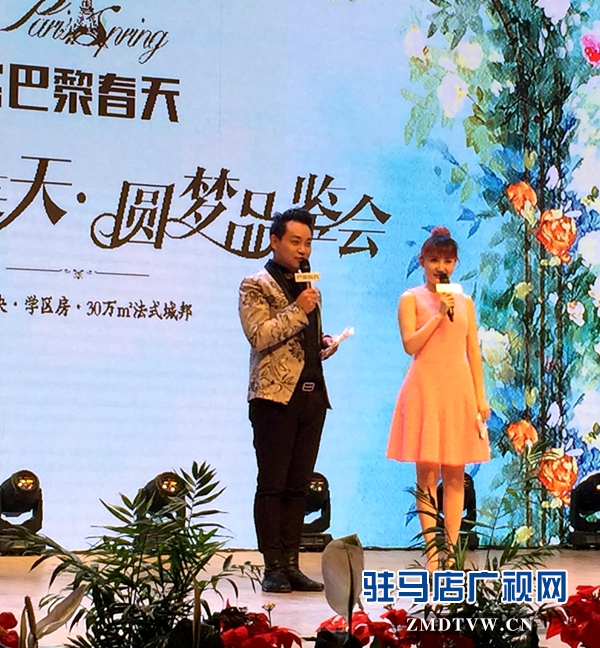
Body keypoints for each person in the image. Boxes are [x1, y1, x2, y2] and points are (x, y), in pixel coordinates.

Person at [238, 207, 335, 593]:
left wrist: (322, 343)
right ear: (274, 240)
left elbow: (300, 335)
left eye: (308, 243)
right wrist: (299, 310)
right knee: (273, 484)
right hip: (274, 398)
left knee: (299, 486)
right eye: (295, 241)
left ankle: (293, 564)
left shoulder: (307, 285)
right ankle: (273, 566)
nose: (302, 249)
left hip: (312, 397)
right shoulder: (255, 284)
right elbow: (259, 335)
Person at [387, 226, 490, 571]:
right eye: (433, 260)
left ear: (455, 263)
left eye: (446, 261)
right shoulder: (410, 298)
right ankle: (432, 554)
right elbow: (410, 345)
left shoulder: (466, 302)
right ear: (422, 261)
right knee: (427, 475)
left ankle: (453, 552)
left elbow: (472, 352)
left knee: (456, 475)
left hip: (458, 390)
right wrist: (437, 314)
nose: (440, 267)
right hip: (425, 389)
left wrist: (480, 397)